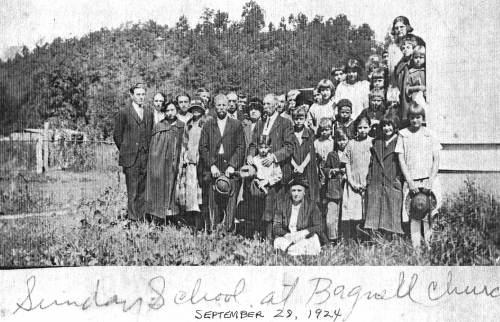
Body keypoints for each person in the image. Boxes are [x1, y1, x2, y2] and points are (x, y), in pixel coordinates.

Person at [247, 93, 295, 238]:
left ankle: (272, 237)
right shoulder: (260, 123)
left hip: (276, 171)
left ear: (276, 105)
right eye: (265, 104)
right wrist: (250, 154)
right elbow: (253, 144)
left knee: (273, 205)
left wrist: (274, 157)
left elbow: (289, 147)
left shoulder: (285, 123)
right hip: (259, 170)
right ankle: (258, 234)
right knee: (257, 202)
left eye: (269, 104)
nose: (266, 107)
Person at [395, 102, 442, 248]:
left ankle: (429, 246)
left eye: (418, 117)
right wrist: (409, 181)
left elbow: (436, 159)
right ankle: (416, 248)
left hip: (429, 180)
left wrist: (430, 180)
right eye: (412, 117)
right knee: (414, 212)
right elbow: (401, 159)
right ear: (408, 118)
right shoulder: (403, 135)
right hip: (412, 181)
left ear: (423, 118)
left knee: (428, 212)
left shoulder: (430, 134)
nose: (415, 121)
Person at [199, 94, 246, 231]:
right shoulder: (208, 124)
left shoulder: (236, 124)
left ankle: (227, 230)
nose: (221, 108)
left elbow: (241, 146)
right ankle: (213, 230)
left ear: (228, 106)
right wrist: (211, 165)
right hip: (214, 167)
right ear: (214, 106)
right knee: (213, 202)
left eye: (224, 105)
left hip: (230, 168)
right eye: (218, 105)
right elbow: (203, 147)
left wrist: (232, 165)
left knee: (230, 202)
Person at [113, 83, 154, 222]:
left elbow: (150, 133)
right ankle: (132, 220)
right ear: (131, 95)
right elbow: (117, 135)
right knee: (132, 190)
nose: (141, 97)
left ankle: (141, 218)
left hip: (145, 156)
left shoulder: (149, 112)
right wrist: (127, 150)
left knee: (143, 189)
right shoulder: (124, 112)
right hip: (131, 158)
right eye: (138, 94)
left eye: (143, 94)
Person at [145, 100, 186, 222]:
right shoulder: (159, 126)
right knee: (159, 188)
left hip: (176, 164)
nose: (170, 113)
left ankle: (174, 217)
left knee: (175, 189)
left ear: (177, 110)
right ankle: (158, 217)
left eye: (172, 110)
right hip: (161, 164)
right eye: (167, 110)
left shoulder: (182, 126)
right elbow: (154, 149)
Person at [364, 117, 404, 237]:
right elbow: (371, 163)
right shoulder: (377, 142)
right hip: (376, 180)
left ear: (394, 125)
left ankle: (392, 238)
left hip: (391, 179)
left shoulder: (399, 141)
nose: (387, 128)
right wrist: (370, 179)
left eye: (389, 125)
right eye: (384, 125)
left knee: (391, 209)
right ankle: (376, 239)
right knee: (375, 209)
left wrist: (398, 179)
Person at [177, 97, 211, 230]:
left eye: (199, 108)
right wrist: (185, 155)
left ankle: (205, 225)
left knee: (203, 195)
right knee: (192, 196)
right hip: (190, 164)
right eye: (194, 109)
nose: (196, 111)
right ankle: (193, 224)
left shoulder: (207, 123)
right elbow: (184, 143)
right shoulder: (189, 124)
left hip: (202, 162)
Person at [272, 178, 327, 256]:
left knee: (312, 240)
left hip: (305, 237)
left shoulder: (311, 205)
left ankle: (291, 251)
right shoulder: (282, 205)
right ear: (290, 192)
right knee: (278, 241)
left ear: (304, 192)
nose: (296, 194)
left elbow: (319, 226)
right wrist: (287, 235)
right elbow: (276, 227)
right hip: (289, 237)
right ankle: (294, 250)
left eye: (299, 190)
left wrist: (304, 233)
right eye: (294, 190)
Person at [341, 115, 372, 240]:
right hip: (353, 183)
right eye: (360, 128)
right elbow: (347, 163)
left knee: (365, 211)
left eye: (365, 127)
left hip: (367, 183)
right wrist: (351, 181)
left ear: (370, 128)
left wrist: (368, 182)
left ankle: (366, 239)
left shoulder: (372, 143)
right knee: (353, 212)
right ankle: (353, 239)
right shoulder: (351, 143)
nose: (363, 130)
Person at [321, 128, 349, 241]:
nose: (341, 143)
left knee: (345, 215)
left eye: (344, 140)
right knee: (331, 216)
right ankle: (332, 238)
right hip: (333, 188)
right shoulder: (332, 154)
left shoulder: (350, 152)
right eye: (339, 140)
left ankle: (345, 238)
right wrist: (331, 171)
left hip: (347, 187)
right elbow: (325, 168)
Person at [290, 105, 320, 204]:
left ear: (305, 119)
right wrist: (295, 166)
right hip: (293, 166)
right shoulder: (289, 133)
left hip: (307, 167)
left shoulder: (310, 133)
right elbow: (287, 151)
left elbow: (311, 152)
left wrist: (302, 166)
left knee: (308, 193)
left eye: (301, 118)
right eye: (296, 119)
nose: (298, 121)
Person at [387, 16, 425, 86]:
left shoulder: (416, 41)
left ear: (407, 27)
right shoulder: (392, 47)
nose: (399, 30)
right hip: (398, 79)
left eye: (402, 27)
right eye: (396, 28)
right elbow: (391, 69)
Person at [395, 35, 418, 126]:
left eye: (408, 47)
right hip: (401, 92)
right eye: (403, 48)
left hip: (411, 92)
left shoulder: (413, 63)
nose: (405, 50)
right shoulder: (400, 64)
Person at [314, 118, 334, 188]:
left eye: (326, 130)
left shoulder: (333, 142)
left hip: (331, 166)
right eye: (322, 130)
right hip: (320, 165)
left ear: (331, 130)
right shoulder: (316, 142)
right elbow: (315, 157)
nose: (324, 132)